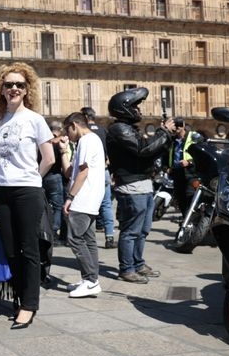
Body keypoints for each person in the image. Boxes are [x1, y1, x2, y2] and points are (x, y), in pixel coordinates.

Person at [0, 62, 55, 329]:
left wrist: (32, 181)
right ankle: (18, 296)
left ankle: (29, 304)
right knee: (9, 249)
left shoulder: (35, 119)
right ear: (1, 90)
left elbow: (49, 158)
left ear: (27, 89)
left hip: (27, 190)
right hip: (2, 190)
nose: (14, 88)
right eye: (9, 84)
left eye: (19, 84)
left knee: (29, 249)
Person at [106, 87, 175, 284]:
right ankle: (126, 268)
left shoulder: (129, 129)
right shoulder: (119, 129)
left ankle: (137, 263)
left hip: (144, 184)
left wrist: (167, 137)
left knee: (143, 230)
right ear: (124, 108)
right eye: (136, 106)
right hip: (131, 186)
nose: (139, 110)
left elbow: (151, 152)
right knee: (131, 231)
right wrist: (163, 132)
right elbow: (143, 150)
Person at [60, 112, 106, 298]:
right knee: (88, 240)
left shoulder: (87, 141)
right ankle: (90, 278)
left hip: (83, 197)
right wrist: (64, 151)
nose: (66, 135)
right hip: (90, 197)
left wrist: (70, 196)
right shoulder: (88, 142)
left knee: (75, 239)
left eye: (67, 130)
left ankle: (91, 281)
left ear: (74, 125)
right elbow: (69, 172)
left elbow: (83, 172)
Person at [81, 106, 115, 249]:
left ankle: (89, 238)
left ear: (86, 117)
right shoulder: (103, 130)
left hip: (90, 172)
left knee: (89, 204)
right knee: (106, 204)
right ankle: (110, 236)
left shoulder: (85, 133)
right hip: (104, 170)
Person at [43, 120, 69, 244]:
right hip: (55, 175)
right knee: (58, 207)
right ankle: (54, 232)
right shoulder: (60, 142)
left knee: (45, 205)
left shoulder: (43, 141)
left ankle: (46, 230)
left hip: (43, 175)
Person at [168, 117, 199, 218]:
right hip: (177, 174)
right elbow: (165, 155)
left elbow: (203, 155)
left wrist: (189, 162)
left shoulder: (193, 137)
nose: (176, 128)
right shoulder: (171, 140)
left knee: (190, 199)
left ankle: (190, 222)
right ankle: (186, 221)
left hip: (191, 174)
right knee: (180, 200)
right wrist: (166, 167)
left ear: (183, 126)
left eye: (179, 125)